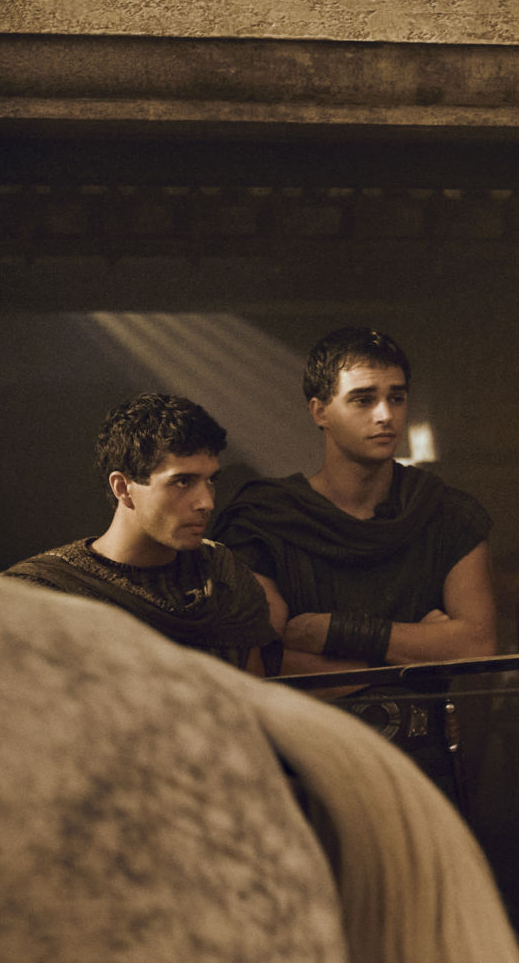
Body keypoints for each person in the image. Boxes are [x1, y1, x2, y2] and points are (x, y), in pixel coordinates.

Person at [212, 327, 497, 799]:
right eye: (363, 399)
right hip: (306, 774)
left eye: (396, 398)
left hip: (421, 774)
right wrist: (420, 652)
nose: (385, 415)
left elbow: (477, 647)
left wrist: (334, 633)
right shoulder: (265, 519)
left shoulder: (446, 514)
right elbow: (263, 664)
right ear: (319, 410)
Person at [6, 392, 275, 672]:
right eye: (183, 482)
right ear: (123, 488)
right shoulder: (43, 595)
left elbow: (254, 692)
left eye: (210, 481)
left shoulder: (223, 575)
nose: (206, 502)